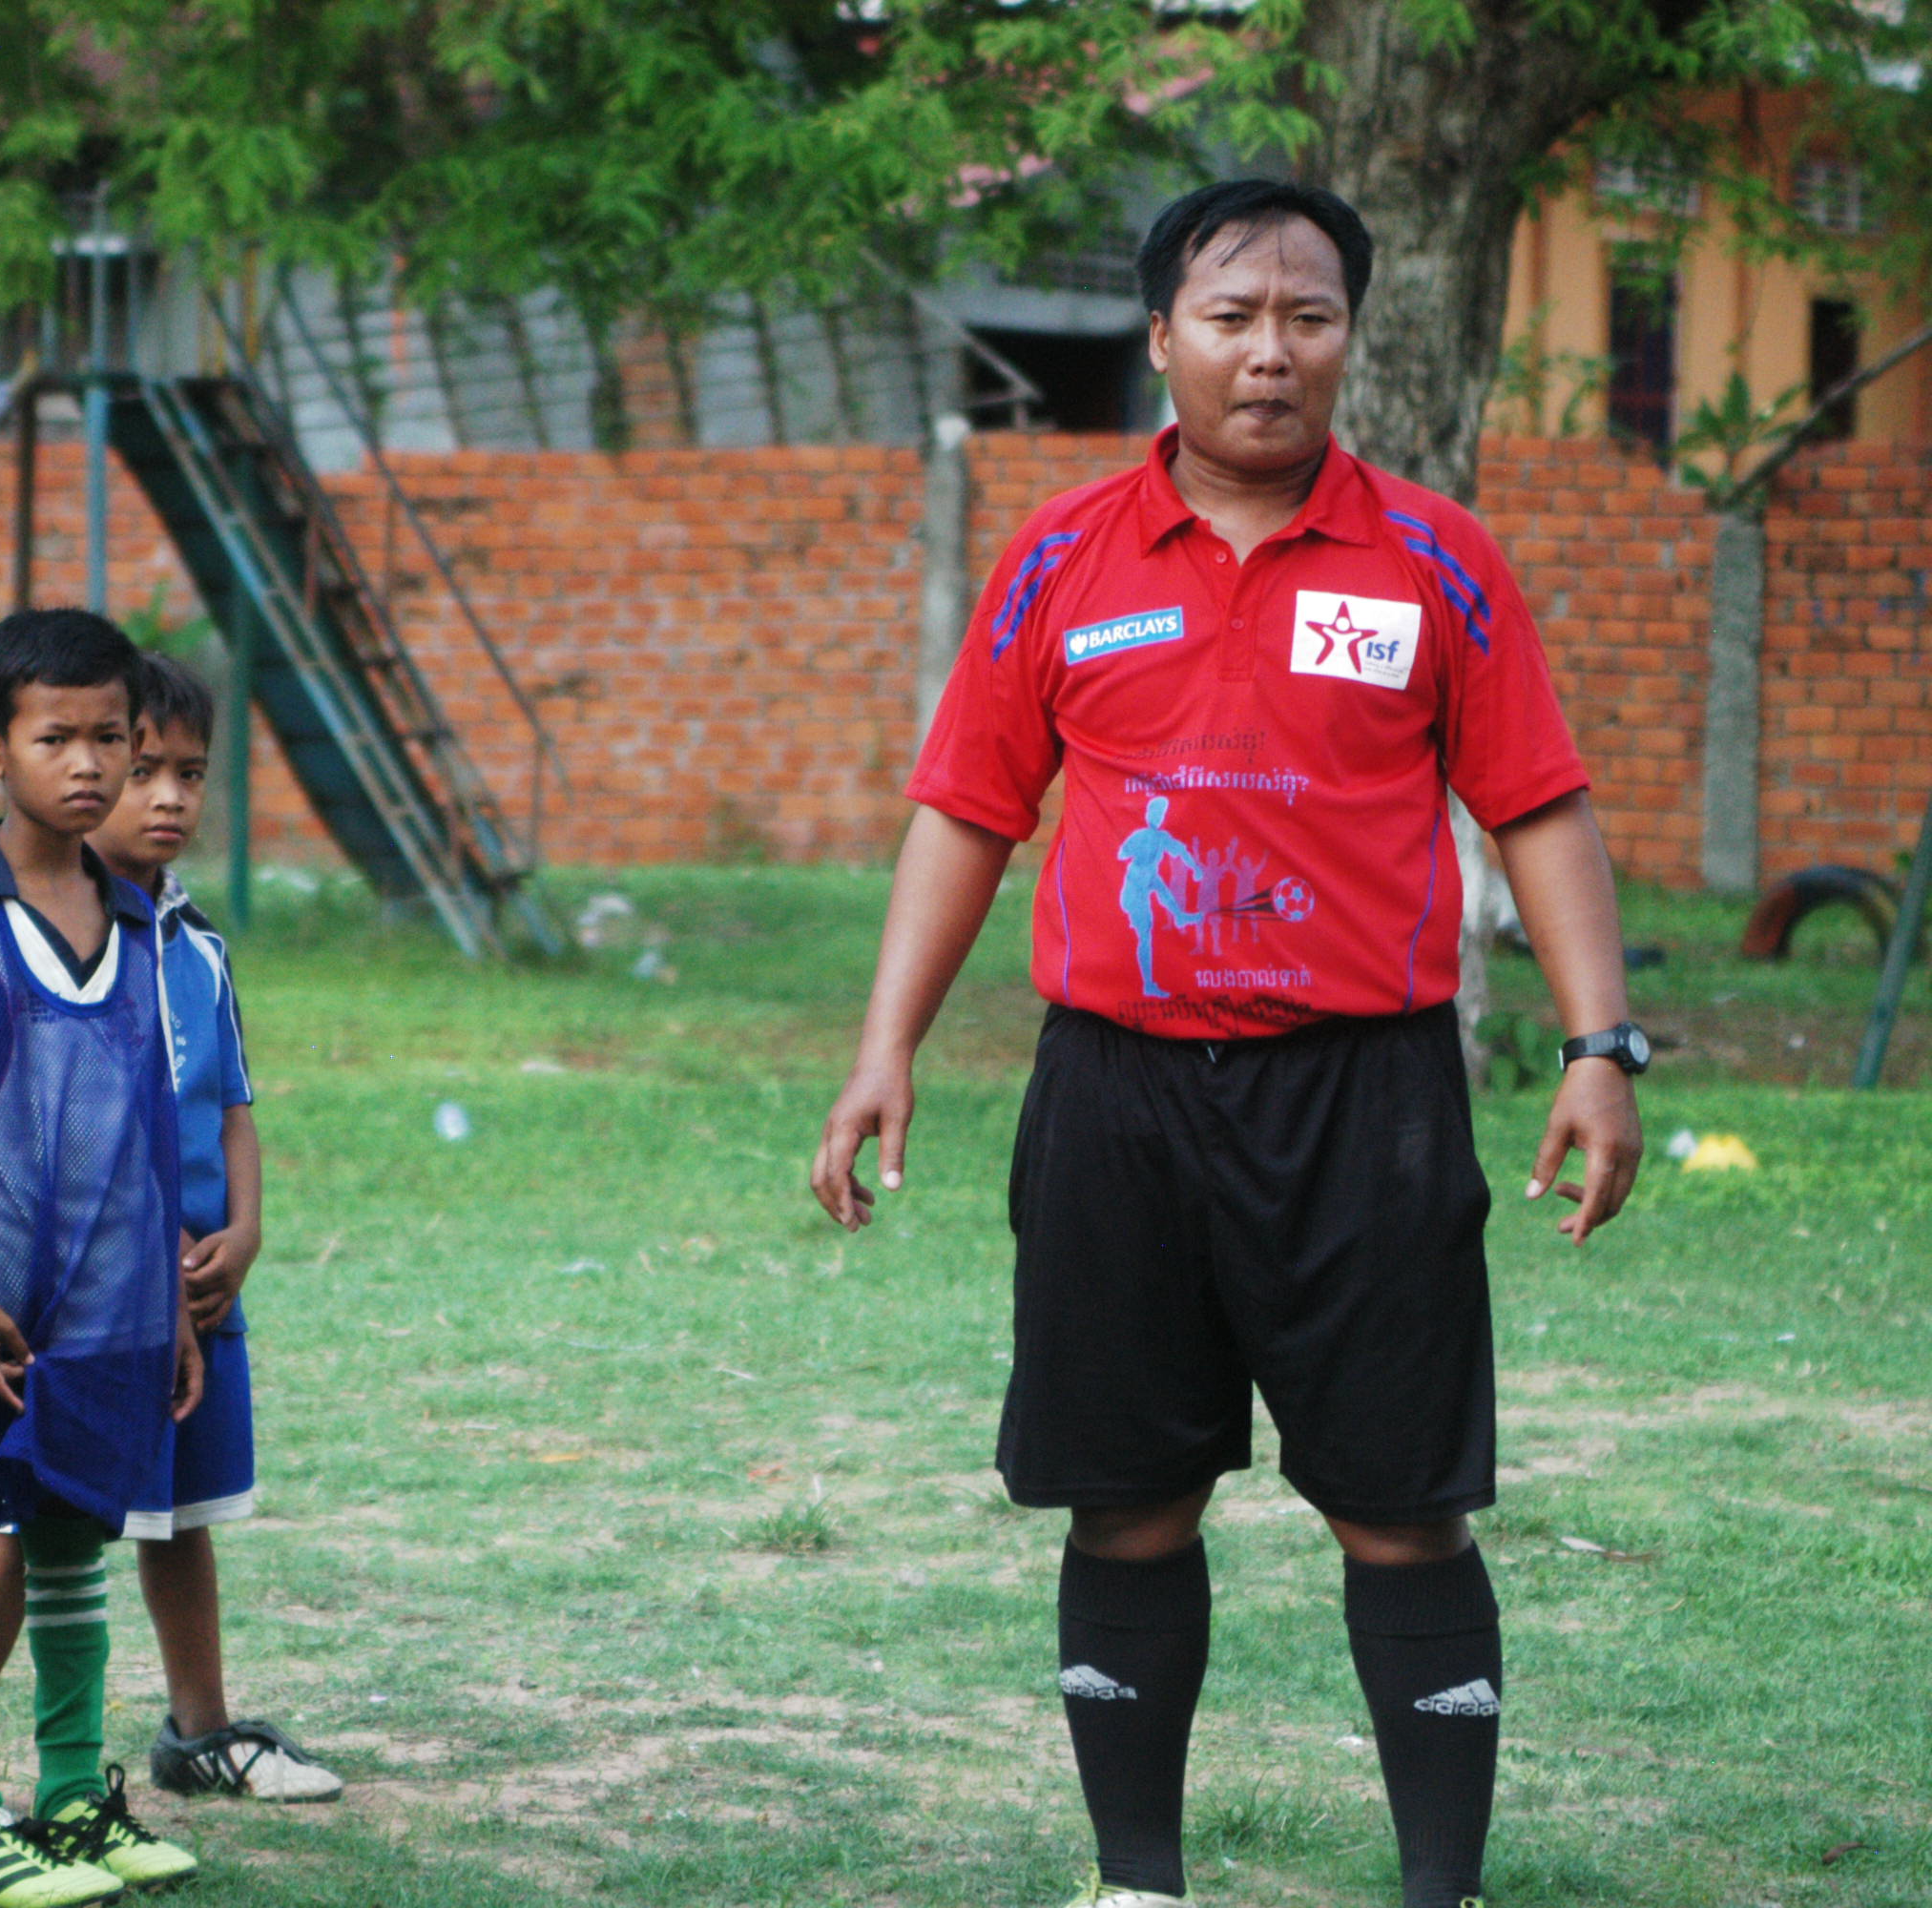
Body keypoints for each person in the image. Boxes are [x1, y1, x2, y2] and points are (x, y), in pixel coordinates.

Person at [809, 179, 1647, 1908]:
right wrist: (882, 1044)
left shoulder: (1433, 561)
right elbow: (965, 808)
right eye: (1230, 316)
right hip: (1113, 1096)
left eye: (1307, 317)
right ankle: (1137, 1882)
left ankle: (1439, 1892)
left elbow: (1539, 803)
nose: (1269, 353)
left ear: (1349, 337)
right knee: (1121, 1500)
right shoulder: (1059, 560)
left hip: (1367, 1100)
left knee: (1399, 1508)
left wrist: (1596, 1044)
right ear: (1159, 338)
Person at [0, 652, 339, 1817]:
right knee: (38, 1515)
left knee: (178, 1510)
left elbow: (231, 1103)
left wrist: (243, 1232)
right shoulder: (17, 919)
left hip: (187, 1294)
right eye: (143, 768)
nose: (163, 797)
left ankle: (200, 1729)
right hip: (71, 1289)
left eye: (186, 773)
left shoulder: (187, 944)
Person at [0, 608, 207, 1908]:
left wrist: (164, 1302)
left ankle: (70, 1797)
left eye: (109, 737)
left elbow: (148, 1124)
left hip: (109, 1303)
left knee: (72, 1544)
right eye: (53, 736)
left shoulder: (139, 919)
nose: (88, 764)